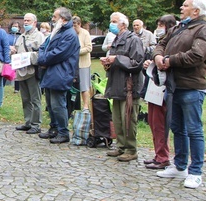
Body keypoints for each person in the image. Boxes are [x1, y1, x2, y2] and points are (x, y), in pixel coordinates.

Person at [154, 0, 206, 189]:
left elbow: (197, 55)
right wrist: (158, 56)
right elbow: (161, 44)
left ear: (196, 11)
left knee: (194, 130)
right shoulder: (179, 27)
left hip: (191, 86)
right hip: (174, 87)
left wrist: (170, 60)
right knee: (177, 127)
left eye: (185, 5)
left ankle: (196, 171)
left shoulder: (205, 30)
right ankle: (180, 165)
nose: (181, 8)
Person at [101, 12, 145, 161]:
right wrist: (107, 63)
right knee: (118, 119)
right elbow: (115, 61)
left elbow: (137, 63)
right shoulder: (116, 40)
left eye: (114, 21)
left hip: (129, 86)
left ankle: (131, 149)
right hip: (116, 85)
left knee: (128, 119)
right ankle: (120, 146)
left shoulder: (134, 40)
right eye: (110, 21)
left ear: (123, 24)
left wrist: (116, 59)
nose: (111, 24)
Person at [37, 7, 80, 144]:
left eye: (55, 17)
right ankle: (54, 128)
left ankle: (63, 132)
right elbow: (44, 46)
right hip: (51, 72)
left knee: (58, 104)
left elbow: (59, 53)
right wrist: (42, 56)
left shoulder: (69, 34)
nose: (52, 19)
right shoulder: (57, 31)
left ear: (63, 19)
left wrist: (43, 59)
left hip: (61, 72)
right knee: (50, 103)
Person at [142, 15, 177, 170]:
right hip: (153, 86)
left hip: (164, 88)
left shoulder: (172, 42)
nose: (158, 27)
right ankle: (158, 154)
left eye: (161, 24)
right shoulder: (160, 43)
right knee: (153, 122)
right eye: (158, 24)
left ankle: (163, 157)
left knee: (161, 123)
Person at [12, 13, 44, 134]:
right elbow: (16, 50)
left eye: (28, 20)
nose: (25, 22)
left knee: (35, 99)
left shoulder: (39, 36)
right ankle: (28, 122)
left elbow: (42, 53)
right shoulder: (21, 37)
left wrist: (28, 57)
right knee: (25, 98)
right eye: (24, 20)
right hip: (21, 72)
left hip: (32, 71)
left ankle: (36, 124)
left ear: (34, 22)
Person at [73, 16, 92, 111]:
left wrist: (76, 51)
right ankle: (73, 107)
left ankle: (85, 106)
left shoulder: (85, 33)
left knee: (84, 86)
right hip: (72, 65)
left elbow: (89, 48)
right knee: (73, 87)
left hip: (83, 64)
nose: (73, 28)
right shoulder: (71, 34)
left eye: (75, 26)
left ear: (79, 24)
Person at [8, 21, 21, 92]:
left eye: (16, 26)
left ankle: (17, 88)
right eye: (14, 26)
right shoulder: (8, 35)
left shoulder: (21, 36)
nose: (15, 28)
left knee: (17, 71)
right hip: (9, 54)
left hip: (17, 55)